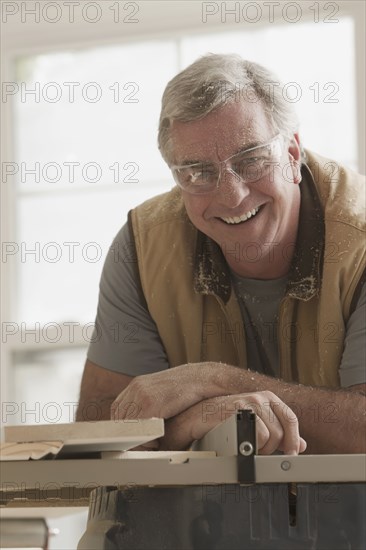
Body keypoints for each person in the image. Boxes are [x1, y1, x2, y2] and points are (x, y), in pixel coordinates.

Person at [76, 54, 365, 455]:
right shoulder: (141, 247)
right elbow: (96, 431)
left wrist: (214, 380)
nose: (232, 196)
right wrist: (193, 423)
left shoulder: (360, 241)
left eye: (252, 160)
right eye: (198, 172)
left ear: (293, 154)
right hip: (202, 517)